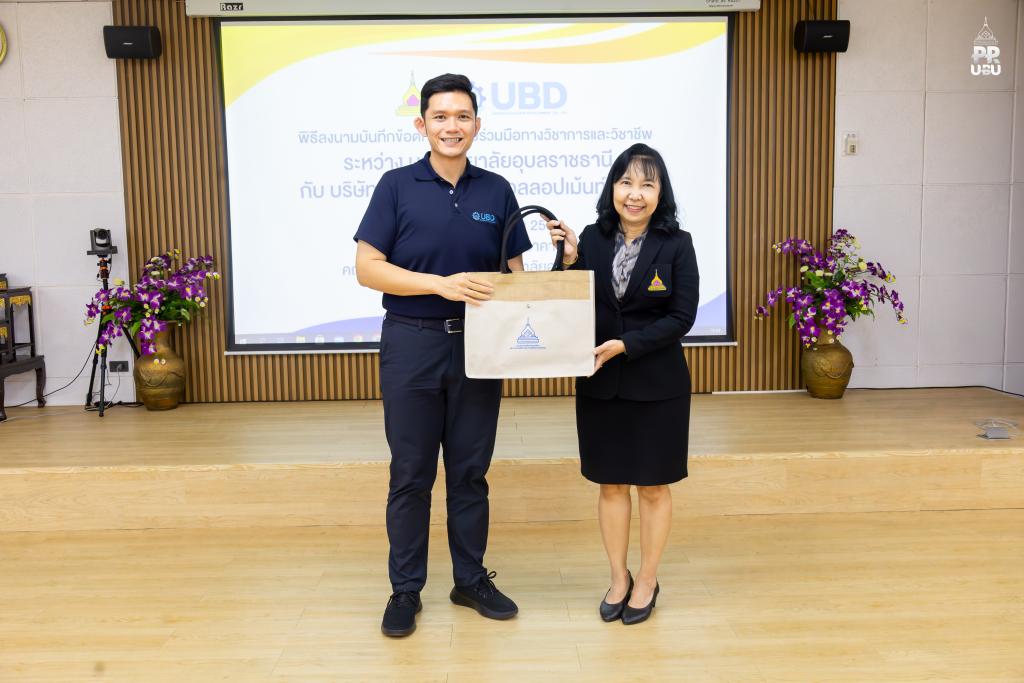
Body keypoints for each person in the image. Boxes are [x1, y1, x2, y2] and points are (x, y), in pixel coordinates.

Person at [354, 73, 532, 637]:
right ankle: (405, 590)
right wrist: (440, 285)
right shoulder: (396, 186)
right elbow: (367, 268)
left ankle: (470, 580)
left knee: (470, 472)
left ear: (477, 125)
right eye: (440, 117)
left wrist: (567, 261)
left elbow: (515, 277)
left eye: (462, 117)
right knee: (410, 473)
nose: (451, 126)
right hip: (412, 343)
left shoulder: (497, 191)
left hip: (480, 346)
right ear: (422, 124)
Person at [547, 143, 699, 625]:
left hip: (658, 387)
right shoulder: (592, 238)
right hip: (600, 385)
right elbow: (568, 301)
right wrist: (569, 260)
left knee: (652, 487)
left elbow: (682, 316)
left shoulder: (677, 243)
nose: (635, 194)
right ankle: (619, 577)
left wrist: (627, 345)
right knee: (611, 485)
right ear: (612, 187)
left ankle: (648, 579)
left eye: (646, 184)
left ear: (660, 193)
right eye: (626, 182)